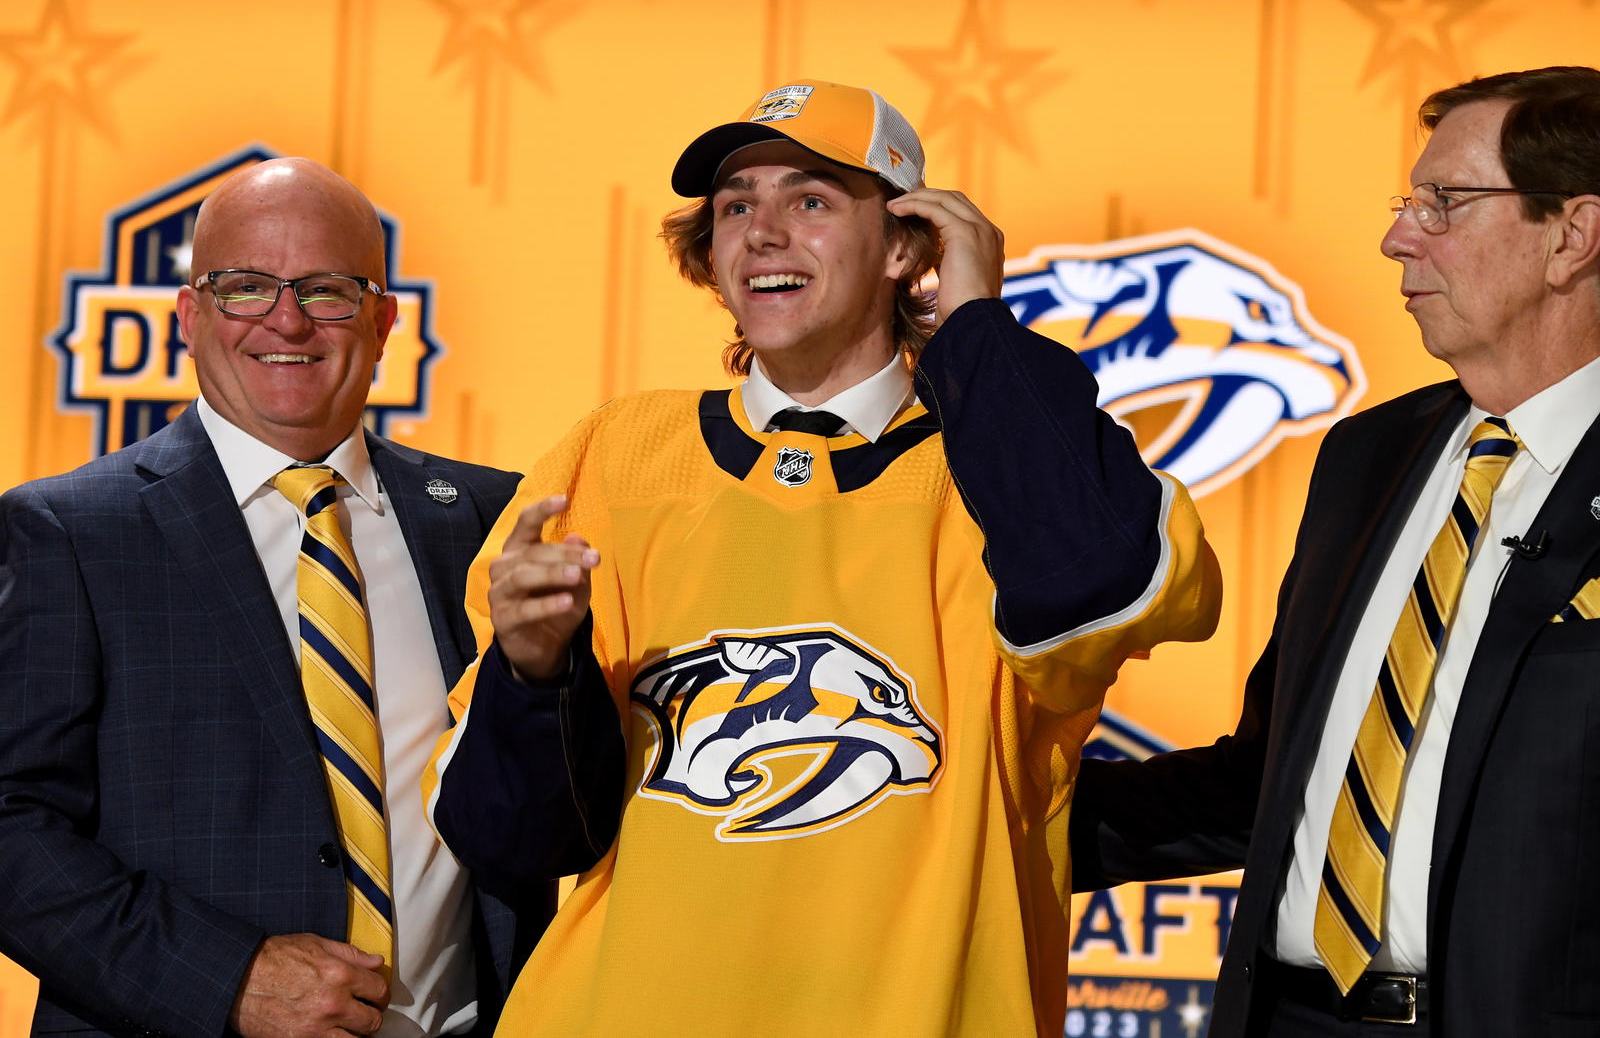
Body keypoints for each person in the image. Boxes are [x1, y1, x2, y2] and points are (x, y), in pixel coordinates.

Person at [422, 79, 1222, 1035]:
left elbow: (1112, 593)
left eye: (810, 200)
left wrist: (975, 330)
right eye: (734, 206)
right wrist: (532, 672)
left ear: (906, 245)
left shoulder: (1009, 458)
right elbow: (511, 836)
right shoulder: (615, 453)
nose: (762, 231)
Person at [1069, 65, 1600, 1036]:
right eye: (1409, 203)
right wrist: (988, 819)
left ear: (1571, 235)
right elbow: (1265, 783)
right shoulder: (1367, 456)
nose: (1397, 237)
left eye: (1444, 204)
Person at [0, 158, 556, 1037]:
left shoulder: (489, 519)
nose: (287, 319)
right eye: (245, 286)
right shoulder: (71, 532)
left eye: (328, 289)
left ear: (382, 320)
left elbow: (548, 810)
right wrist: (228, 979)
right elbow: (10, 829)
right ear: (190, 315)